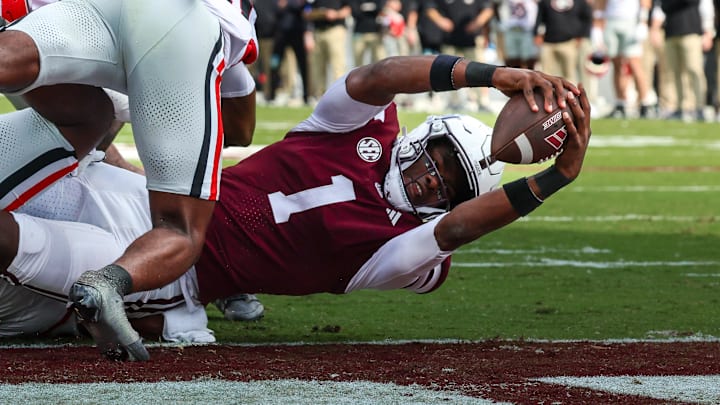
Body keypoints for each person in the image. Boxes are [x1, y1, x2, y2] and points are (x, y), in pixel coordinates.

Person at [0, 54, 590, 359]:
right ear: (424, 135)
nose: (436, 182)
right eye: (439, 159)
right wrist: (493, 76)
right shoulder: (356, 130)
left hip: (162, 269)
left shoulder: (393, 253)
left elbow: (454, 231)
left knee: (16, 239)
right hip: (149, 197)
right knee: (93, 110)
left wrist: (552, 181)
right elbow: (381, 75)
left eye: (454, 184)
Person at [0, 0, 259, 361]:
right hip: (180, 31)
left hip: (98, 15)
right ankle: (107, 285)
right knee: (179, 228)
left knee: (18, 64)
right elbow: (240, 128)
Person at [592, 0, 655, 118]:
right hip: (611, 20)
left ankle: (645, 102)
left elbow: (645, 2)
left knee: (634, 64)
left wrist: (643, 21)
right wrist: (597, 27)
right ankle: (620, 103)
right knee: (617, 65)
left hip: (631, 21)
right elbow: (600, 4)